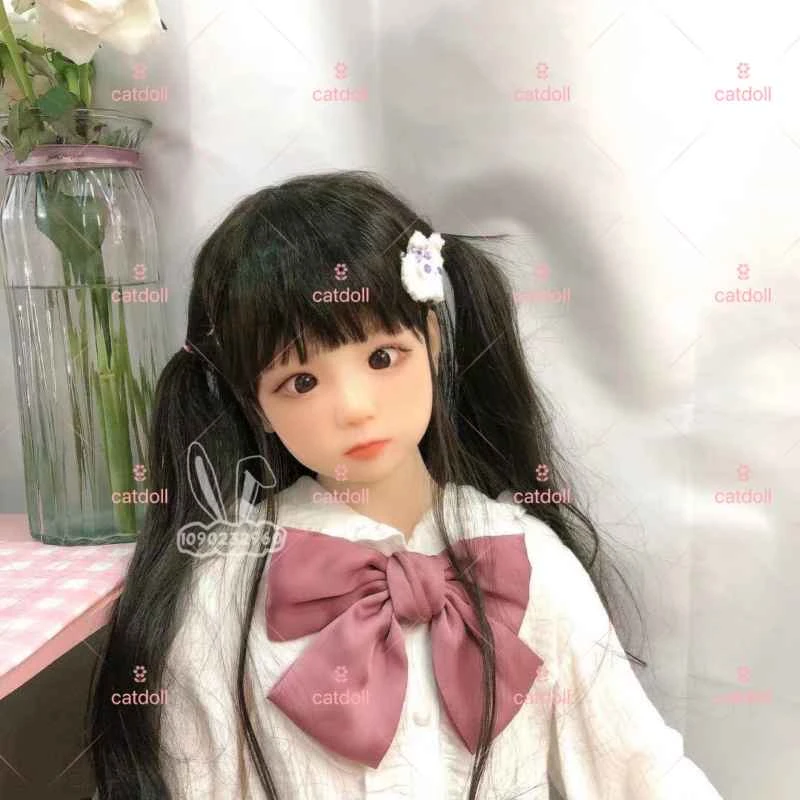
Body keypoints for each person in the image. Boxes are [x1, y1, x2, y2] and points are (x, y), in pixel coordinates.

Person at [88, 171, 725, 799]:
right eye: (301, 382)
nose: (355, 406)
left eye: (382, 357)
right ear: (255, 405)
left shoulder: (529, 560)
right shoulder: (225, 583)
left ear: (433, 342)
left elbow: (641, 771)